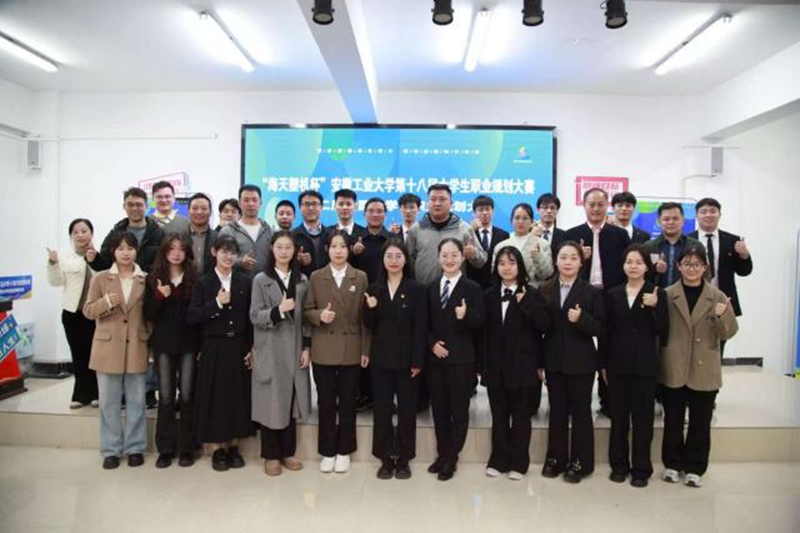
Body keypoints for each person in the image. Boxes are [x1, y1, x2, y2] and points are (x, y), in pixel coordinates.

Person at [660, 245, 738, 488]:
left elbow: (729, 332)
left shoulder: (718, 296)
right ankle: (672, 465)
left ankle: (695, 468)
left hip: (704, 368)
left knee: (700, 423)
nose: (691, 269)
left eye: (696, 264)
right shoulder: (667, 294)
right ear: (678, 266)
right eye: (687, 264)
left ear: (705, 267)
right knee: (672, 420)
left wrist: (722, 316)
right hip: (674, 365)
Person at [304, 230, 370, 474]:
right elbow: (306, 310)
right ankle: (327, 451)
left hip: (351, 347)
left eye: (343, 246)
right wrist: (319, 315)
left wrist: (365, 349)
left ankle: (344, 450)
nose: (339, 251)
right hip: (323, 347)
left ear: (349, 249)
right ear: (327, 249)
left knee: (348, 403)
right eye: (334, 246)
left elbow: (365, 318)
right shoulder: (316, 276)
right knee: (326, 403)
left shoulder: (360, 277)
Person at [82, 231, 150, 470]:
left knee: (137, 401)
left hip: (137, 346)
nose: (125, 253)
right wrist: (107, 303)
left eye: (130, 248)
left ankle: (135, 448)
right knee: (109, 403)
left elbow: (150, 317)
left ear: (136, 251)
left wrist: (151, 345)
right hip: (107, 348)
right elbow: (88, 311)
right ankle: (110, 450)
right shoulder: (101, 278)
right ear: (113, 251)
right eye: (121, 248)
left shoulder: (145, 279)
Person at [540, 241, 604, 483]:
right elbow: (540, 327)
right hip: (553, 359)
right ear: (556, 261)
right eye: (563, 257)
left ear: (581, 262)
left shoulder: (591, 292)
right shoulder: (545, 289)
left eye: (573, 258)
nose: (568, 262)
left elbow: (600, 328)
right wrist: (540, 362)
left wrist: (581, 319)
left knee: (581, 413)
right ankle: (555, 459)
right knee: (556, 410)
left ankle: (581, 463)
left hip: (581, 362)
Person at [481, 246, 549, 480]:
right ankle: (498, 459)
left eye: (511, 263)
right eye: (502, 263)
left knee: (521, 416)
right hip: (495, 365)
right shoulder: (488, 295)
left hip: (523, 365)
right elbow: (483, 334)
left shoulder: (532, 293)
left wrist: (526, 303)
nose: (507, 267)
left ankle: (519, 463)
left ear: (520, 266)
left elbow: (544, 325)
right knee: (499, 415)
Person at [187, 235, 254, 472]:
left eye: (233, 252)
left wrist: (251, 347)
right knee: (215, 398)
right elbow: (192, 316)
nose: (228, 256)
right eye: (224, 251)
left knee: (237, 396)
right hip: (213, 346)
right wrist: (216, 303)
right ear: (214, 252)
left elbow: (250, 318)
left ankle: (234, 447)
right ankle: (218, 449)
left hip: (238, 345)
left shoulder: (245, 281)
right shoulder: (204, 282)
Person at [605, 244, 669, 488]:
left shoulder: (656, 292)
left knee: (643, 421)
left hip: (644, 365)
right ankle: (619, 466)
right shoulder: (613, 294)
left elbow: (664, 331)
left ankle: (641, 469)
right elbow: (606, 333)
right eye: (629, 262)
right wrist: (603, 365)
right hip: (617, 364)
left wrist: (654, 308)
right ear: (623, 265)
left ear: (647, 266)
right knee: (619, 419)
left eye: (639, 262)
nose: (633, 266)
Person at [363, 240, 427, 480]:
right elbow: (368, 325)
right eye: (389, 256)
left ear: (405, 260)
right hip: (381, 359)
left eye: (398, 256)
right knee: (382, 410)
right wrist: (370, 309)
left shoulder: (416, 289)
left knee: (407, 410)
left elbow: (421, 327)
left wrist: (418, 360)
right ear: (383, 260)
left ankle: (404, 458)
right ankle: (385, 458)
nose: (393, 260)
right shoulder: (374, 288)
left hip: (408, 360)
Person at [250, 231, 312, 476]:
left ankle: (288, 452)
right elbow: (254, 315)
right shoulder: (261, 279)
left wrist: (307, 347)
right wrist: (278, 310)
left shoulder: (302, 279)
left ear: (295, 251)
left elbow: (306, 317)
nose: (284, 251)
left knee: (291, 402)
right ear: (272, 250)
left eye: (288, 247)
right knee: (271, 402)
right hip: (271, 347)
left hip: (295, 349)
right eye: (279, 247)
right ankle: (271, 455)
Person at [565, 188, 630, 416]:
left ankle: (608, 400)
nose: (596, 209)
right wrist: (580, 257)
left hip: (610, 295)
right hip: (581, 295)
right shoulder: (572, 234)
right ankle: (574, 401)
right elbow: (563, 266)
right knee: (577, 345)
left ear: (607, 206)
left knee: (609, 347)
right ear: (584, 206)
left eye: (600, 204)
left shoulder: (619, 234)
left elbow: (626, 267)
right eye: (591, 204)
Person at [425, 238, 485, 481]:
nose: (449, 260)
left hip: (462, 360)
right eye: (445, 255)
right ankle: (442, 454)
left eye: (454, 255)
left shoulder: (473, 288)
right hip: (435, 360)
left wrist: (466, 314)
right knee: (439, 410)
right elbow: (424, 323)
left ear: (462, 257)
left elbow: (481, 323)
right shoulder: (430, 287)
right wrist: (431, 344)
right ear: (438, 258)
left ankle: (451, 457)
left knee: (459, 411)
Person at [144, 235, 200, 469]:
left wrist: (200, 346)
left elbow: (199, 316)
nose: (176, 253)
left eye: (181, 249)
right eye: (172, 248)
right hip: (164, 344)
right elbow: (148, 314)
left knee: (187, 396)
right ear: (164, 252)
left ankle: (187, 448)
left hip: (188, 344)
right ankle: (165, 449)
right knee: (166, 397)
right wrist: (159, 297)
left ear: (187, 252)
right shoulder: (154, 278)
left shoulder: (195, 277)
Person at [47, 218, 99, 409]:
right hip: (72, 313)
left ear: (91, 233)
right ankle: (80, 394)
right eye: (75, 232)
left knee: (95, 354)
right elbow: (56, 282)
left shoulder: (100, 255)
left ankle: (96, 393)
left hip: (95, 314)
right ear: (71, 236)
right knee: (78, 354)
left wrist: (94, 259)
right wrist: (53, 263)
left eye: (84, 231)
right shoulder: (65, 257)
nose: (80, 235)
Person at [689, 197, 752, 353]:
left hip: (722, 299)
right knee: (693, 343)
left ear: (719, 214)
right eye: (703, 211)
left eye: (713, 211)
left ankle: (715, 369)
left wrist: (744, 255)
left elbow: (743, 272)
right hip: (694, 298)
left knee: (719, 343)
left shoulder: (732, 240)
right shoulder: (687, 240)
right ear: (697, 215)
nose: (708, 215)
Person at [407, 184, 487, 285]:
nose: (437, 203)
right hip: (422, 290)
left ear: (451, 203)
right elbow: (409, 261)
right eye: (433, 199)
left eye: (442, 199)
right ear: (427, 203)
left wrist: (473, 254)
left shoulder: (464, 229)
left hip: (455, 290)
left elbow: (482, 261)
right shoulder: (416, 229)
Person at [86, 187, 164, 273]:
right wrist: (94, 259)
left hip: (148, 280)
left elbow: (164, 265)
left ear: (146, 206)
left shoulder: (158, 234)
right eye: (130, 205)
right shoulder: (115, 233)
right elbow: (105, 265)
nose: (134, 208)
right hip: (120, 281)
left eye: (139, 204)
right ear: (124, 206)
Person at [492, 203, 554, 288]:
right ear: (511, 220)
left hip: (533, 291)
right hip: (507, 291)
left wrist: (538, 257)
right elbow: (495, 273)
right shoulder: (501, 246)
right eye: (517, 218)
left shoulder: (542, 244)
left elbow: (547, 274)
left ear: (532, 221)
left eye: (525, 218)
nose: (520, 222)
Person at [643, 202, 701, 288]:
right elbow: (640, 275)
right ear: (659, 222)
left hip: (687, 294)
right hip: (656, 294)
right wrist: (654, 269)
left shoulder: (696, 246)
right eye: (666, 219)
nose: (671, 222)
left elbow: (705, 274)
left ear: (683, 221)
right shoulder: (648, 246)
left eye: (675, 218)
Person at [220, 185, 273, 275]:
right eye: (246, 200)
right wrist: (239, 262)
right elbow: (221, 258)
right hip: (238, 281)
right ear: (239, 203)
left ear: (260, 203)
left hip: (265, 281)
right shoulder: (228, 231)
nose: (251, 204)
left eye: (254, 200)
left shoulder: (269, 230)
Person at [466, 195, 510, 290]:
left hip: (495, 286)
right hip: (471, 284)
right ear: (474, 213)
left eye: (488, 209)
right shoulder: (467, 232)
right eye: (481, 210)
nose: (485, 213)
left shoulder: (503, 235)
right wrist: (470, 230)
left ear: (493, 211)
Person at [293, 190, 332, 278]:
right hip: (302, 283)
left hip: (328, 283)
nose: (310, 208)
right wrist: (297, 261)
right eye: (306, 204)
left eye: (314, 204)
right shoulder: (293, 235)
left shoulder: (331, 234)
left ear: (321, 207)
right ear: (300, 207)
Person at [185, 192, 218, 276]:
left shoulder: (217, 237)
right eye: (195, 208)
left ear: (210, 212)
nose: (199, 212)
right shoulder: (180, 237)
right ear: (188, 211)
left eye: (204, 208)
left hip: (209, 282)